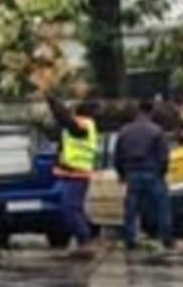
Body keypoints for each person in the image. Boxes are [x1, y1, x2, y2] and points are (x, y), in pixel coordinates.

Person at [113, 100, 173, 251]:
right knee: (161, 207)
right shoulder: (157, 131)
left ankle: (129, 239)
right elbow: (164, 156)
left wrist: (121, 174)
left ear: (137, 111)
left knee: (131, 209)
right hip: (152, 173)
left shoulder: (125, 131)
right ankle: (165, 238)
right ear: (151, 112)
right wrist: (162, 173)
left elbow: (117, 155)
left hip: (132, 173)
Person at [45, 94, 99, 255]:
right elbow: (60, 125)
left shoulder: (84, 124)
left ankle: (85, 240)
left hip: (77, 174)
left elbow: (66, 119)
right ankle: (87, 236)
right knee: (75, 208)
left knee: (70, 208)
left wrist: (53, 99)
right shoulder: (79, 126)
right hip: (71, 173)